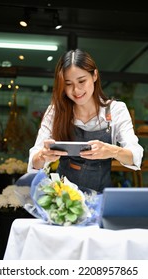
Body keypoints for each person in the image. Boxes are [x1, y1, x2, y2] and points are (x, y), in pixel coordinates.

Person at [27, 48, 144, 193]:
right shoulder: (55, 111)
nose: (76, 90)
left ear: (94, 75)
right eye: (68, 84)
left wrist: (111, 150)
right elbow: (34, 163)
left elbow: (135, 156)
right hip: (63, 202)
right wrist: (43, 155)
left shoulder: (115, 110)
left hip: (100, 199)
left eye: (81, 81)